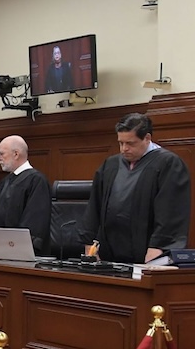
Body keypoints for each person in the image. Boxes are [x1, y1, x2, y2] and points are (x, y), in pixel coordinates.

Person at [79, 113, 190, 264]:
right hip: (108, 254)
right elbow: (94, 206)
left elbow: (171, 211)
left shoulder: (168, 164)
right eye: (121, 143)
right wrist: (90, 241)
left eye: (130, 143)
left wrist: (158, 246)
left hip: (148, 254)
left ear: (147, 138)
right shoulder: (111, 165)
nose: (124, 149)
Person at [0, 135, 52, 253]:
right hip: (3, 250)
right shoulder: (5, 181)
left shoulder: (37, 181)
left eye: (1, 154)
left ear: (16, 154)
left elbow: (35, 222)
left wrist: (14, 245)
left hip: (23, 253)